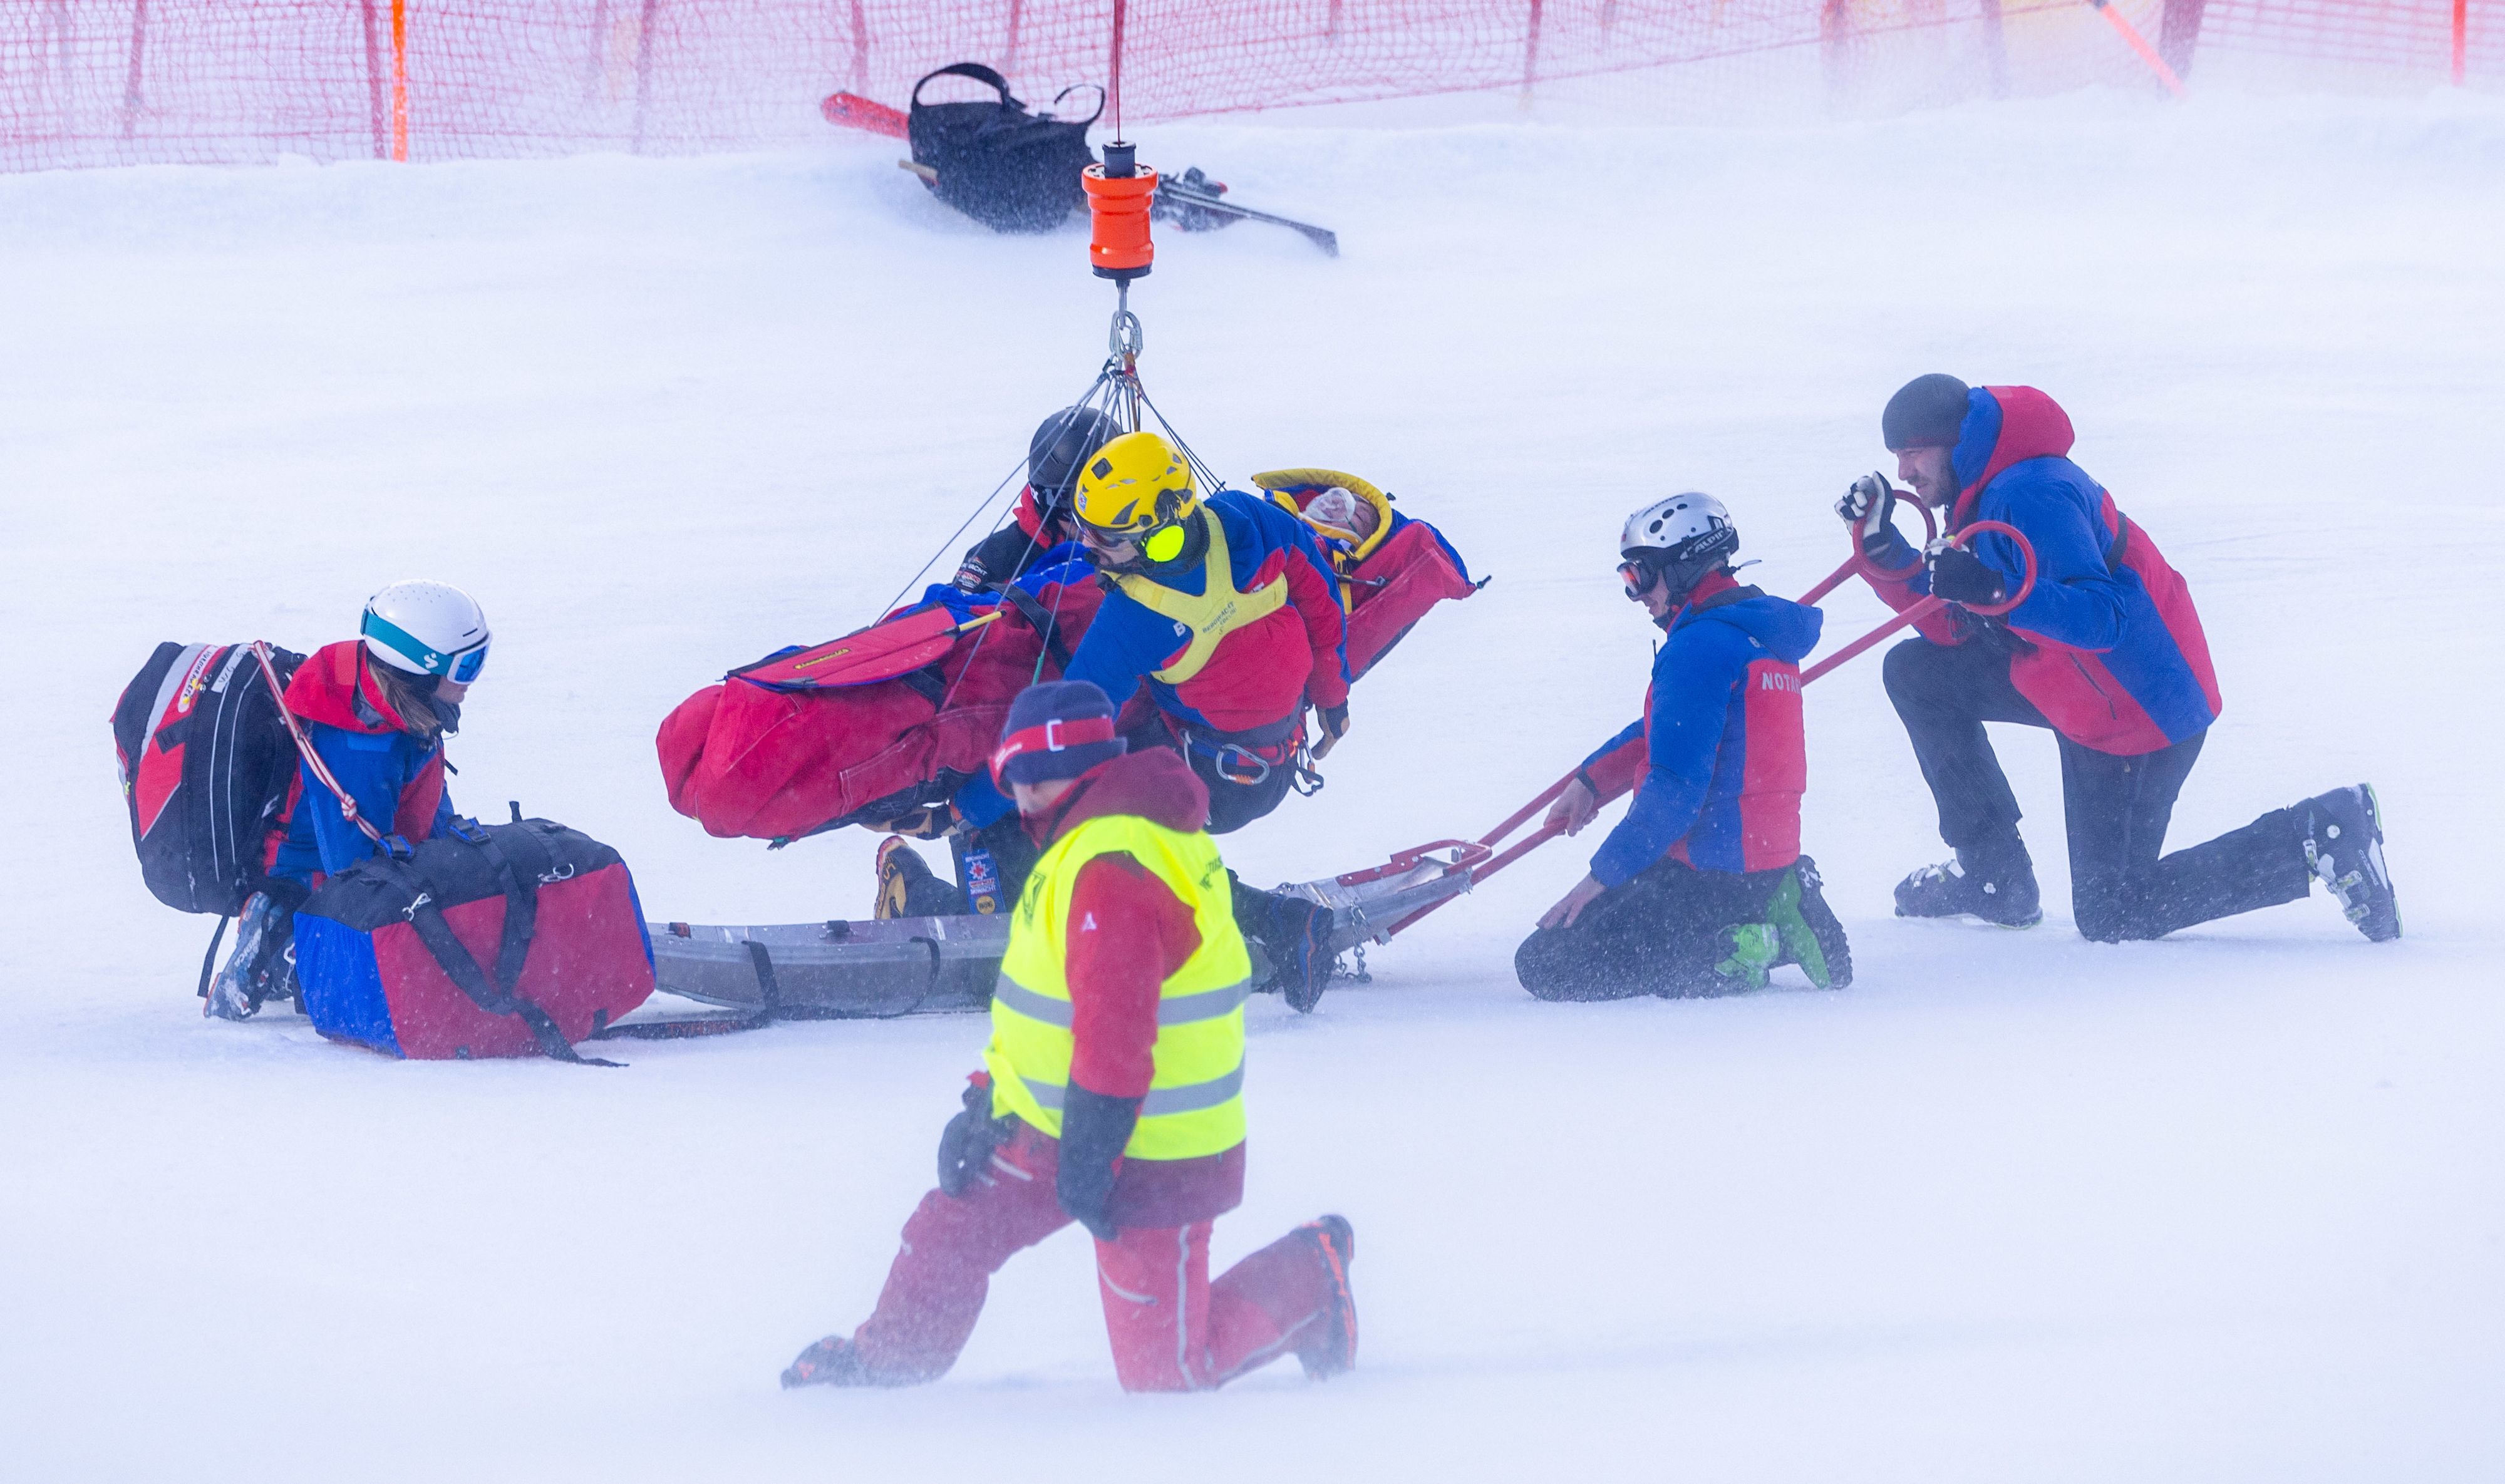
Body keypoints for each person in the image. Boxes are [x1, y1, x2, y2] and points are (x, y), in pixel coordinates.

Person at [784, 681, 1360, 1393]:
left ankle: (1311, 1278)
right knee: (950, 1234)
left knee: (1166, 1378)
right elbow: (1044, 1005)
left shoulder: (1111, 863)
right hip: (1055, 1120)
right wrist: (985, 1098)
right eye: (1011, 781)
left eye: (1031, 779)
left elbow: (1115, 1029)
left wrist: (1091, 1152)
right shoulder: (1084, 842)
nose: (1020, 800)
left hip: (1154, 1149)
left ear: (1079, 766)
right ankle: (886, 1372)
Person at [1841, 374, 2398, 942]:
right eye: (1898, 458)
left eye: (1913, 454)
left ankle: (2323, 831)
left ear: (1954, 445)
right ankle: (1993, 876)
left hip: (2137, 709)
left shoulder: (2029, 492)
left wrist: (1990, 590)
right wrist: (1886, 552)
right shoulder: (1980, 492)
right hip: (2072, 687)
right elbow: (1958, 625)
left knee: (2115, 912)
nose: (1906, 472)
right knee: (1917, 673)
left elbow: (2102, 618)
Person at [934, 430, 1351, 1002]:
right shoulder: (1250, 519)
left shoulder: (1135, 617)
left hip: (1212, 781)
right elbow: (1323, 598)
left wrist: (965, 808)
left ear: (1157, 534)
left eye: (1103, 538)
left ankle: (1277, 920)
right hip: (1274, 753)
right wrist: (1334, 696)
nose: (1088, 548)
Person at [1516, 495, 1852, 1001]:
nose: (1637, 594)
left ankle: (1743, 947)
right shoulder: (1755, 632)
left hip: (1708, 870)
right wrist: (1591, 781)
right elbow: (1670, 728)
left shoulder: (1698, 646)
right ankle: (1779, 896)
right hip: (1760, 859)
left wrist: (1597, 880)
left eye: (1642, 576)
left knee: (1546, 963)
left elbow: (1674, 791)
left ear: (1687, 564)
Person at [203, 580, 490, 1019]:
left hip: (357, 849)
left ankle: (294, 941)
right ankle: (275, 933)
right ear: (421, 669)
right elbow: (353, 873)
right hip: (306, 869)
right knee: (361, 955)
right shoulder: (362, 744)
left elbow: (427, 804)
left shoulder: (404, 708)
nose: (474, 681)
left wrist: (461, 866)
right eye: (467, 667)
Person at [948, 404, 1125, 595]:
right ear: (1043, 500)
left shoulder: (1140, 545)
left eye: (1104, 504)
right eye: (1069, 509)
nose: (1087, 526)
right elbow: (959, 614)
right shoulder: (996, 559)